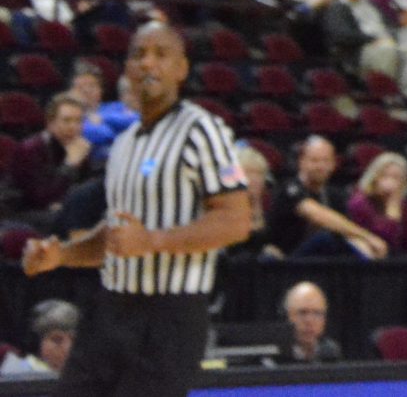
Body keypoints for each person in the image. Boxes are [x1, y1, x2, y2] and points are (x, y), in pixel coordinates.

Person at [18, 23, 251, 397]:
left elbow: (237, 221)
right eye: (139, 55)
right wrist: (61, 255)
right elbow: (116, 237)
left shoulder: (202, 130)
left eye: (161, 54)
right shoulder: (123, 145)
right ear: (126, 69)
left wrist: (154, 240)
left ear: (182, 69)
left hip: (170, 316)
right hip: (109, 307)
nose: (148, 63)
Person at [344, 153, 407, 258]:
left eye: (396, 178)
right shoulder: (359, 203)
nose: (389, 182)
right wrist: (392, 207)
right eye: (384, 176)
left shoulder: (402, 206)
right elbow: (383, 241)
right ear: (374, 178)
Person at [0, 302, 76, 378]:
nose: (68, 348)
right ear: (38, 343)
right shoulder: (19, 370)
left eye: (74, 340)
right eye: (57, 340)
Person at [281, 283, 340, 364]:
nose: (309, 321)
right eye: (302, 313)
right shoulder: (276, 358)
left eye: (317, 313)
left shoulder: (331, 354)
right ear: (287, 316)